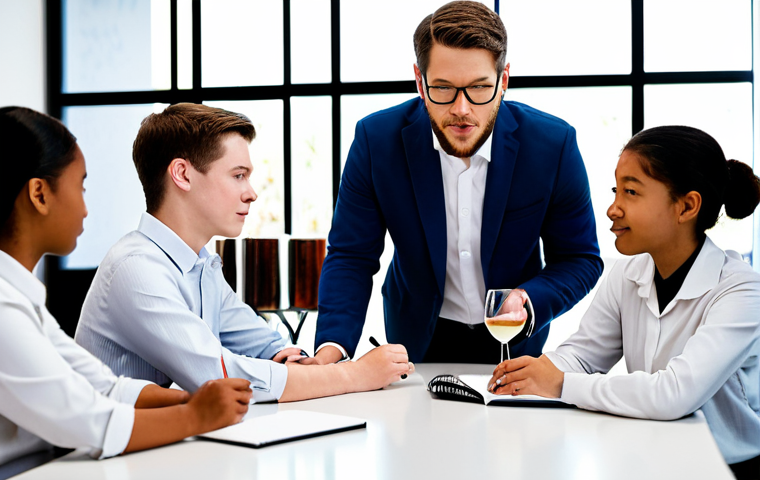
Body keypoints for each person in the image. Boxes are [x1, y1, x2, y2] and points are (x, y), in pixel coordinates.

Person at [313, 0, 603, 365]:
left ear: (504, 80)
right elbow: (352, 256)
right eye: (443, 88)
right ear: (420, 81)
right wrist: (331, 350)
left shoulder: (552, 145)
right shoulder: (376, 141)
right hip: (417, 339)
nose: (462, 109)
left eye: (480, 88)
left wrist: (529, 300)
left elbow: (580, 258)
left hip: (513, 343)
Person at [75, 103, 413, 404]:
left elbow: (260, 341)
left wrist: (294, 359)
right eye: (238, 176)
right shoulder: (136, 269)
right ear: (182, 174)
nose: (251, 194)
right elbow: (217, 375)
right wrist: (354, 375)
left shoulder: (200, 263)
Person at [488, 125, 760, 479]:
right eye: (617, 190)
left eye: (631, 192)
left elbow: (675, 393)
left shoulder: (742, 291)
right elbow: (584, 355)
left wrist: (558, 382)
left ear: (687, 206)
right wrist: (534, 372)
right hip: (655, 456)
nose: (613, 209)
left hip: (729, 468)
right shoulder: (626, 274)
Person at [0, 107, 253, 476]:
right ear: (39, 194)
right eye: (80, 187)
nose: (87, 209)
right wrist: (196, 414)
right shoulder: (5, 307)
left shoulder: (21, 298)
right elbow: (88, 420)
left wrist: (193, 400)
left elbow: (104, 387)